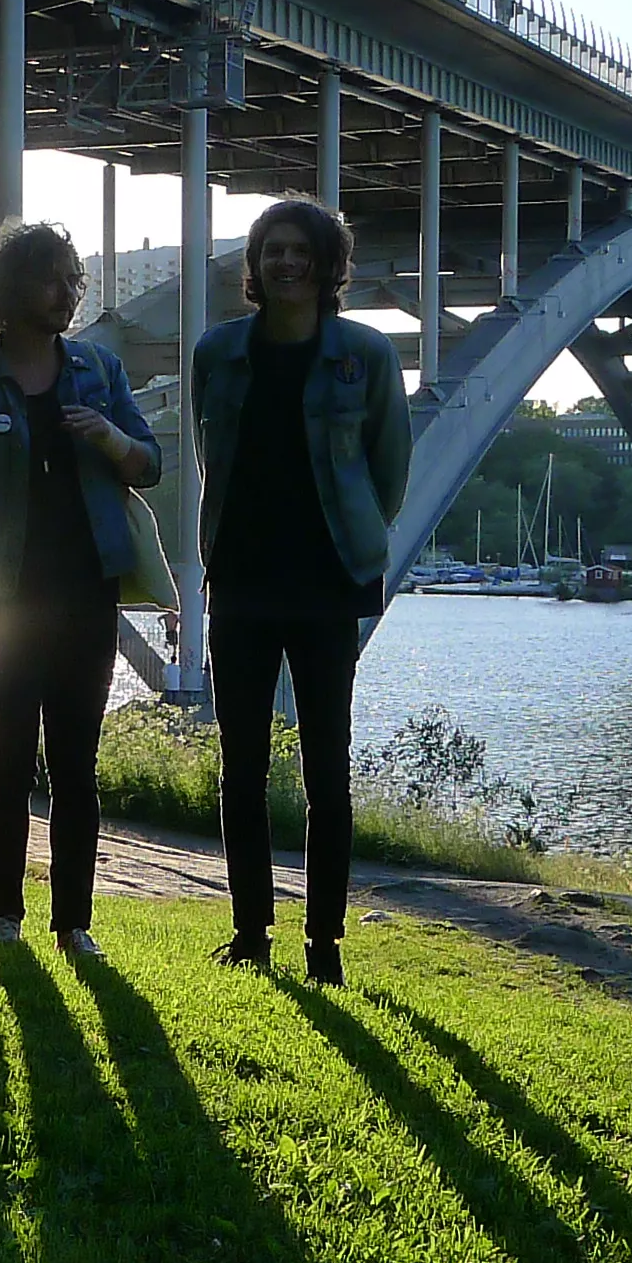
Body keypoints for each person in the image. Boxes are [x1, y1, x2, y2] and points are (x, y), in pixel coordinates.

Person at [0, 219, 161, 957]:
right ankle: (4, 918)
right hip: (0, 605)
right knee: (7, 768)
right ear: (8, 290)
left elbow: (149, 463)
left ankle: (74, 924)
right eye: (50, 279)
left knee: (76, 769)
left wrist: (108, 437)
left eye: (71, 280)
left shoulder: (99, 372)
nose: (65, 293)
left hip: (86, 597)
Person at [188, 195, 412, 985]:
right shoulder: (218, 353)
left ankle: (325, 946)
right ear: (254, 265)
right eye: (271, 250)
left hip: (328, 583)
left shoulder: (365, 355)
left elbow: (390, 472)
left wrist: (351, 535)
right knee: (240, 768)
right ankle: (250, 933)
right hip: (241, 581)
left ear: (326, 264)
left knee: (327, 770)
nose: (285, 262)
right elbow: (211, 456)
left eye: (299, 250)